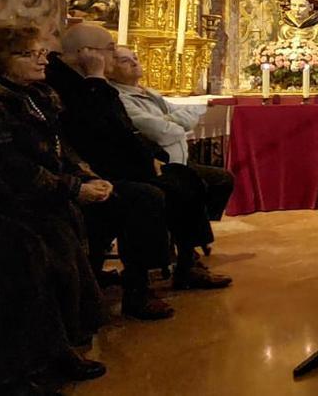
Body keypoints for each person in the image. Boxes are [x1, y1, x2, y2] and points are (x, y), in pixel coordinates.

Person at [0, 22, 108, 393]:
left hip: (4, 194)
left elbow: (56, 149)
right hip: (4, 197)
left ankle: (56, 347)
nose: (42, 60)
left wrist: (80, 176)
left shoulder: (36, 95)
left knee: (57, 231)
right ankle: (19, 367)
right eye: (30, 53)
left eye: (42, 53)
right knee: (31, 244)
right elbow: (7, 166)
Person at [44, 23, 231, 321]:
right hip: (98, 170)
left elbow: (125, 130)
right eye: (109, 50)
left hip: (123, 162)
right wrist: (94, 78)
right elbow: (93, 127)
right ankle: (138, 287)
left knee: (186, 179)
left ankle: (187, 263)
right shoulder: (66, 83)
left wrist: (153, 156)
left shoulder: (90, 81)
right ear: (87, 53)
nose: (113, 56)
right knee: (148, 197)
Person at [108, 46, 234, 220]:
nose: (134, 63)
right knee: (188, 190)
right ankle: (184, 231)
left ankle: (194, 227)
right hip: (159, 164)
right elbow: (162, 132)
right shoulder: (119, 98)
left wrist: (166, 119)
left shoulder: (148, 92)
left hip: (180, 162)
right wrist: (171, 122)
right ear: (110, 69)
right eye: (125, 61)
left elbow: (191, 116)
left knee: (222, 180)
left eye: (135, 57)